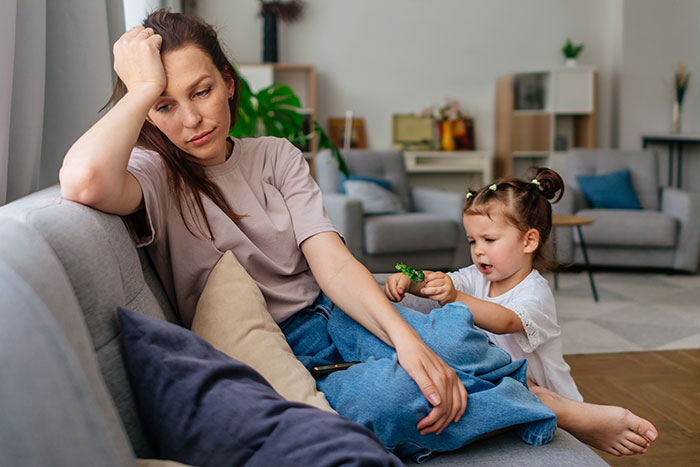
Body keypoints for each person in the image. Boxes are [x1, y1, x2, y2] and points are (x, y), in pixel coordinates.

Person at [59, 9, 557, 462]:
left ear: (228, 83)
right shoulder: (153, 173)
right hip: (276, 350)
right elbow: (83, 181)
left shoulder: (275, 155)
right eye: (164, 105)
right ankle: (541, 406)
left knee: (453, 339)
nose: (191, 120)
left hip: (334, 309)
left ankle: (517, 396)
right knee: (391, 398)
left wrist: (407, 342)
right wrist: (142, 88)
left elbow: (333, 264)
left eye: (201, 91)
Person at [383, 168, 659, 457]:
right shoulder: (476, 276)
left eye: (489, 240)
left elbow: (505, 320)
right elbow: (441, 280)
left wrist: (455, 296)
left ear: (528, 241)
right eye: (472, 241)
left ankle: (569, 417)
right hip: (500, 376)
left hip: (538, 386)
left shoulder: (535, 292)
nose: (478, 251)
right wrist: (411, 281)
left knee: (524, 394)